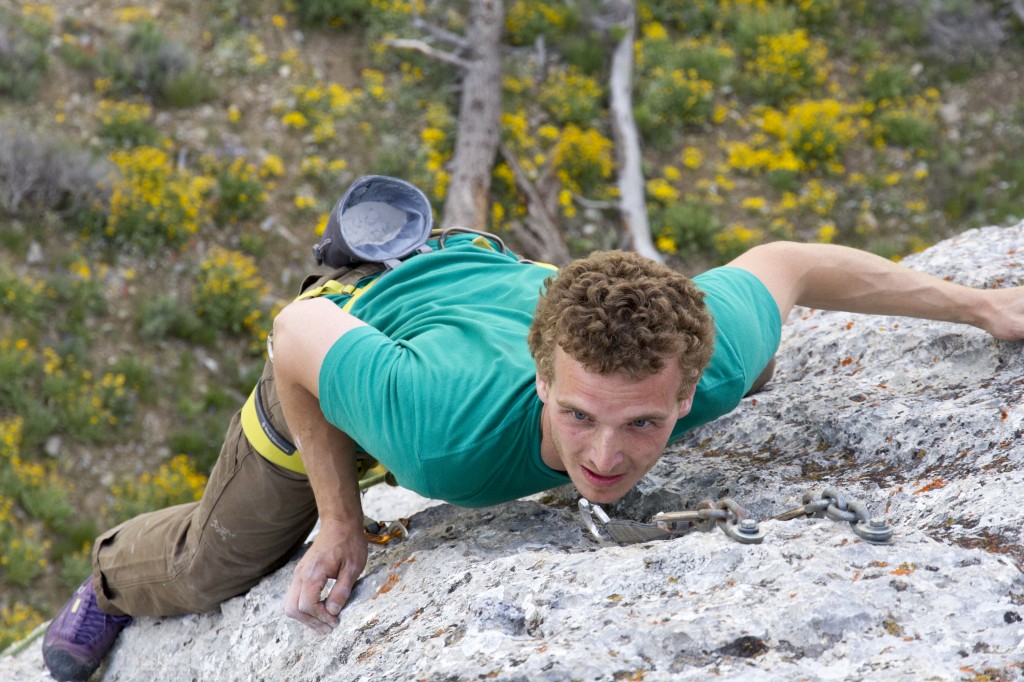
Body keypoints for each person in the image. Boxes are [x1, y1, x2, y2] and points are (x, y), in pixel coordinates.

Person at [41, 188, 1024, 680]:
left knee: (758, 367)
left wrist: (983, 306)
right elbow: (298, 338)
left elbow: (788, 262)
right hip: (356, 332)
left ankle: (427, 248)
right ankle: (112, 574)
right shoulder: (446, 433)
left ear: (683, 390)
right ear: (542, 375)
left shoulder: (709, 360)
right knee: (221, 559)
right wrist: (339, 521)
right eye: (579, 415)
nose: (606, 455)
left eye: (645, 423)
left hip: (478, 287)